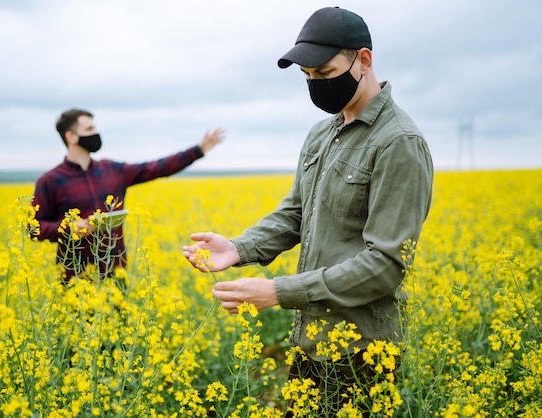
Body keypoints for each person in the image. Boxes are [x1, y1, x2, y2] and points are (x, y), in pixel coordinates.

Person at [183, 6, 433, 416]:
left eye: (325, 72)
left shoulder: (398, 142)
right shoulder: (323, 133)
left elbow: (387, 263)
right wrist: (239, 248)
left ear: (363, 60)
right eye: (308, 77)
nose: (316, 84)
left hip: (361, 351)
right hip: (311, 339)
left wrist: (279, 292)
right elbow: (297, 213)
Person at [32, 108, 224, 284]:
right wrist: (70, 227)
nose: (95, 133)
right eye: (89, 129)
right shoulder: (50, 181)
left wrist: (198, 150)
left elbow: (156, 168)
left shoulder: (112, 170)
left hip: (116, 274)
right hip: (75, 279)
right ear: (71, 136)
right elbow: (33, 228)